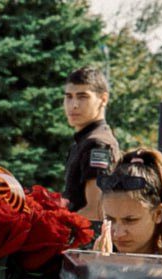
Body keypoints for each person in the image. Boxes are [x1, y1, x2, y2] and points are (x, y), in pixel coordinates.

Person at [92, 147, 162, 257]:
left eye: (130, 220)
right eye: (110, 219)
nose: (118, 233)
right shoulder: (91, 260)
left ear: (158, 214)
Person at [63, 66, 119, 220]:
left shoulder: (98, 144)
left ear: (103, 99)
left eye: (82, 97)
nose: (73, 105)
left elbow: (96, 211)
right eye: (69, 96)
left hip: (87, 241)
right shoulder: (82, 142)